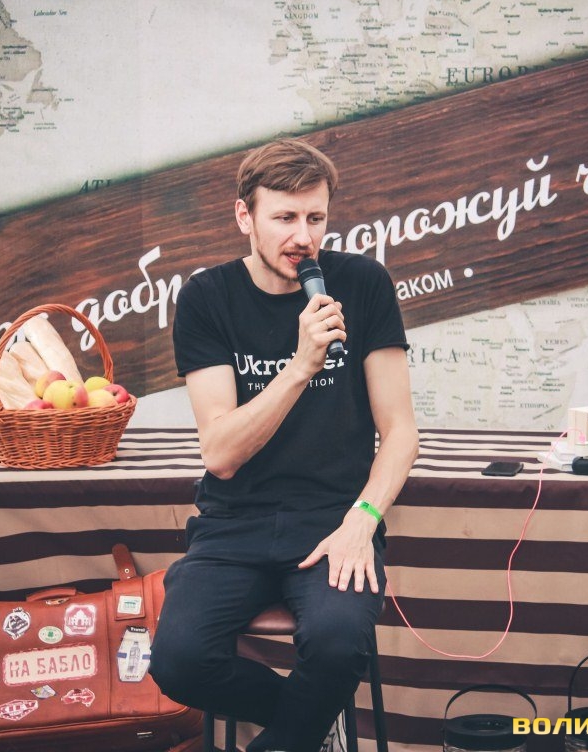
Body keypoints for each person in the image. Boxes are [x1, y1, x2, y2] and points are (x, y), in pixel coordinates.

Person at [149, 138, 419, 752]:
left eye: (316, 218)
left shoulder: (363, 284)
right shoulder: (207, 297)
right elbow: (220, 453)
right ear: (243, 216)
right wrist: (300, 366)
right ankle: (311, 722)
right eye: (284, 218)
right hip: (234, 523)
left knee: (337, 644)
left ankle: (291, 732)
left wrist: (363, 520)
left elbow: (401, 431)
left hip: (334, 521)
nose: (303, 237)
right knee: (179, 662)